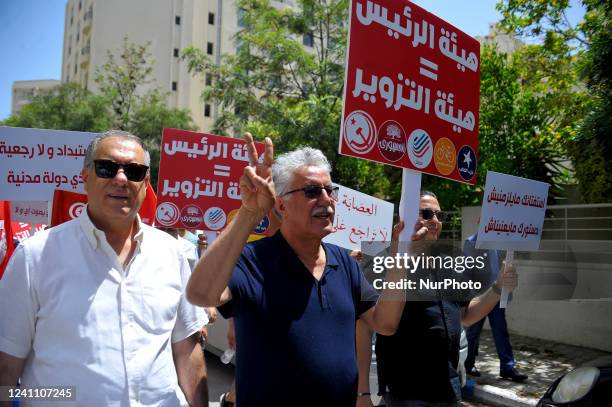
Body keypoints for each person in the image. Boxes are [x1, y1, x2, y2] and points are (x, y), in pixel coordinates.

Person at [186, 133, 407, 406]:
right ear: (281, 205)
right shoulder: (253, 261)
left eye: (330, 190)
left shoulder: (345, 264)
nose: (326, 199)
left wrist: (401, 257)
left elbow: (385, 323)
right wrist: (250, 212)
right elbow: (201, 294)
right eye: (312, 191)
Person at [0, 130, 208, 407]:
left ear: (146, 183)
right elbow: (7, 366)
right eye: (107, 168)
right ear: (85, 177)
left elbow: (186, 349)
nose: (121, 179)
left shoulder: (171, 253)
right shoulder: (35, 256)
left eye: (134, 172)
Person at [356, 191, 519, 407]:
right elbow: (363, 328)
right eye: (426, 213)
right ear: (404, 219)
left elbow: (466, 315)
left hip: (448, 388)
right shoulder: (384, 261)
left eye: (439, 215)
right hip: (406, 391)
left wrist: (498, 287)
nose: (434, 220)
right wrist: (362, 393)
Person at [463, 233, 528, 382]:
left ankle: (508, 367)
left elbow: (503, 266)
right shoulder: (471, 241)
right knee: (473, 332)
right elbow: (467, 270)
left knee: (501, 330)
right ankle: (468, 364)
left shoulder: (500, 241)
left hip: (497, 295)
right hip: (479, 297)